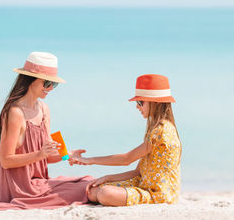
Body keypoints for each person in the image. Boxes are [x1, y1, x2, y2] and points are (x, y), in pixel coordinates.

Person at [0, 52, 93, 210]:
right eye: (47, 83)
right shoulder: (15, 112)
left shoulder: (44, 109)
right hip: (20, 188)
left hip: (39, 183)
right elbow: (6, 160)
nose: (50, 88)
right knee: (85, 189)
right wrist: (40, 154)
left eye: (54, 85)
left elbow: (47, 156)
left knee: (88, 181)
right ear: (30, 80)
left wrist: (67, 154)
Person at [73, 74, 181, 206]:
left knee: (104, 193)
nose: (137, 107)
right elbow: (137, 172)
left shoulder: (162, 130)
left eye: (140, 102)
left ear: (155, 102)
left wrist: (90, 160)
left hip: (158, 194)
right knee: (94, 190)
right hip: (144, 184)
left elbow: (127, 159)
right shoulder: (156, 128)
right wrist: (108, 178)